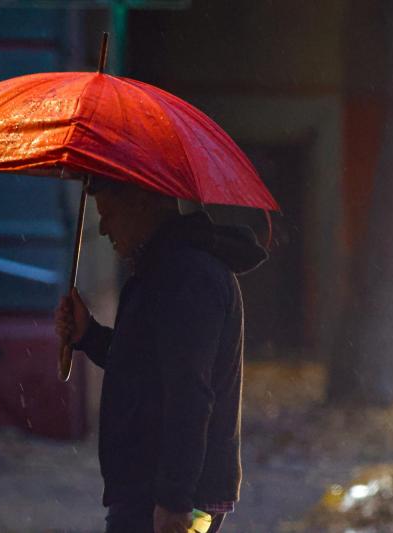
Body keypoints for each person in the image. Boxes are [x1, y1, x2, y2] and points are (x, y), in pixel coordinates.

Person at [55, 176, 267, 533]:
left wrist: (174, 501)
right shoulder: (160, 270)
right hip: (147, 487)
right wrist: (88, 335)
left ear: (141, 204)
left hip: (169, 497)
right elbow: (144, 366)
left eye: (109, 213)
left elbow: (190, 394)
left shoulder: (188, 277)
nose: (103, 228)